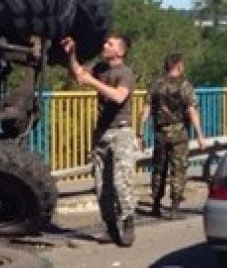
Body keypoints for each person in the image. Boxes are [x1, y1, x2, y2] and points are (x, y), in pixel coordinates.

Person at [62, 32, 137, 246]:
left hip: (121, 132)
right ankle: (111, 227)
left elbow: (119, 96)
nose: (105, 45)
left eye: (110, 44)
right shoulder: (100, 68)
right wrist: (72, 54)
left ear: (120, 51)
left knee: (121, 182)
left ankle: (128, 222)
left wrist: (93, 82)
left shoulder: (125, 73)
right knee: (101, 184)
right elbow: (78, 75)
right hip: (102, 132)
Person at [139, 53, 206, 220]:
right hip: (179, 133)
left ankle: (155, 204)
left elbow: (146, 110)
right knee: (178, 170)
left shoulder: (156, 84)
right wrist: (200, 135)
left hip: (160, 133)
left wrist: (140, 132)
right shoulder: (185, 85)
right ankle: (174, 207)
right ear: (178, 65)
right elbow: (192, 110)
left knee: (159, 169)